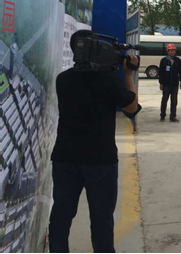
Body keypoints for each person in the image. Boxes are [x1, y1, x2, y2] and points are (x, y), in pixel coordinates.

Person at [49, 30, 142, 253]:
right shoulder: (107, 79)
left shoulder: (63, 79)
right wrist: (128, 74)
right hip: (101, 160)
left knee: (61, 216)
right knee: (101, 220)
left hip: (65, 158)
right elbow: (131, 109)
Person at [159, 43, 181, 123]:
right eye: (171, 51)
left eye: (174, 51)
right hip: (166, 84)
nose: (172, 52)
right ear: (168, 51)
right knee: (164, 100)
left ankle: (173, 117)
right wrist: (161, 83)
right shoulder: (163, 61)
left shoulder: (177, 60)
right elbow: (161, 72)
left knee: (174, 101)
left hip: (174, 84)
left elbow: (180, 71)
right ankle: (162, 116)